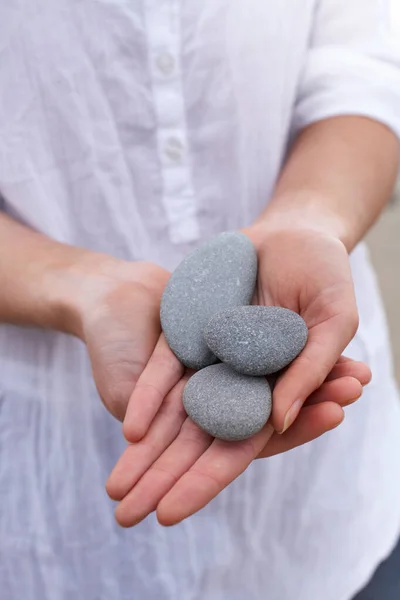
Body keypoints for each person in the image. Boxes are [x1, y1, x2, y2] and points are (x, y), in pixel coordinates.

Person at [0, 1, 400, 599]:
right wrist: (77, 286)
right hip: (48, 503)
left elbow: (366, 65)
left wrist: (310, 219)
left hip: (330, 516)